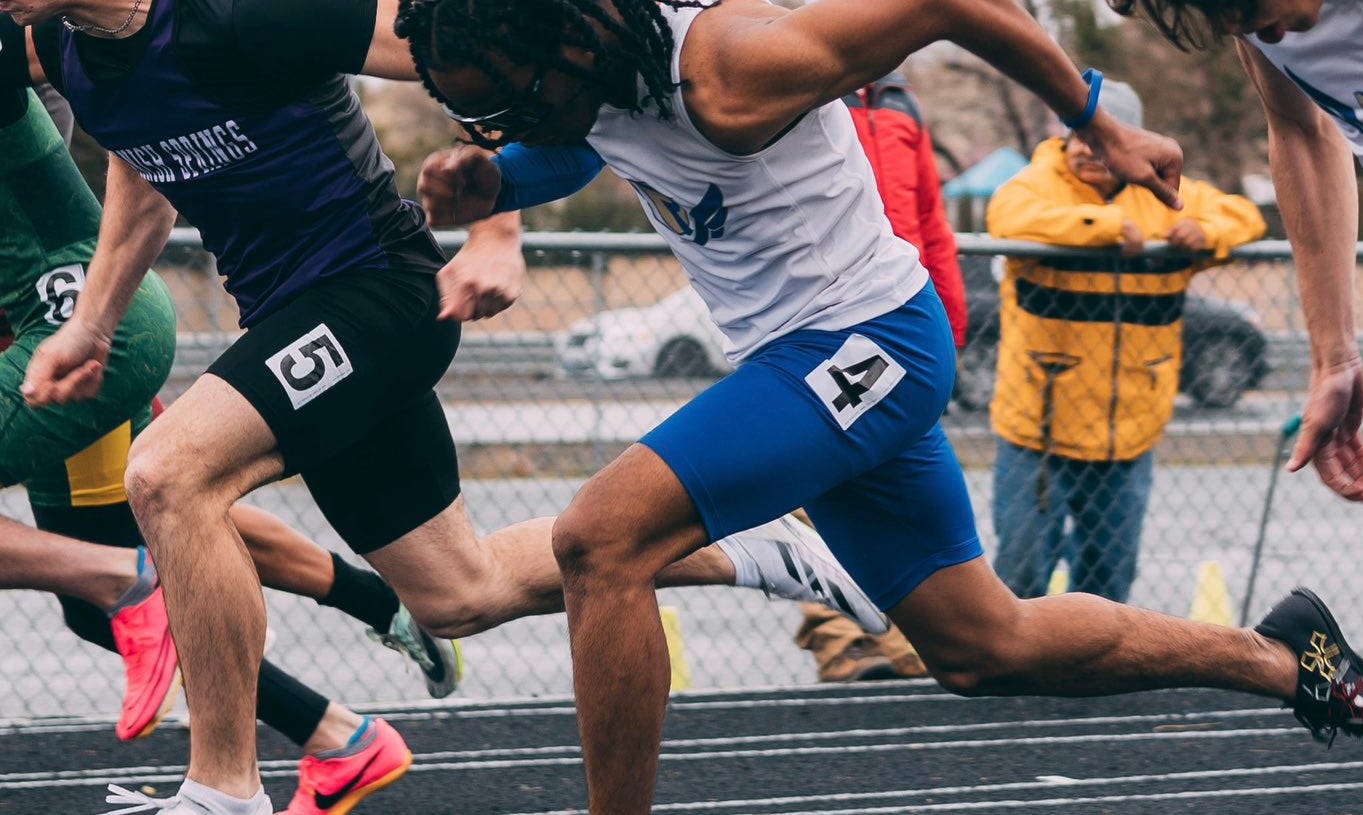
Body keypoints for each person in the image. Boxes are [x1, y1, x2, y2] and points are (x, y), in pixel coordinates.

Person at [395, 0, 1363, 810]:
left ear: (569, 41)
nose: (509, 123)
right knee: (987, 647)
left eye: (515, 103)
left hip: (862, 345)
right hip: (816, 362)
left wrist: (1096, 116)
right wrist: (500, 173)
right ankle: (1289, 659)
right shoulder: (601, 69)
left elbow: (946, 2)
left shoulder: (733, 67)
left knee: (600, 540)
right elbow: (591, 138)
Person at [0, 7, 885, 813]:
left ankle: (223, 789)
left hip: (378, 291)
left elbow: (476, 41)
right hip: (288, 316)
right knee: (459, 594)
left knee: (168, 471)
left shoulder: (246, 13)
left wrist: (496, 225)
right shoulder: (62, 49)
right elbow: (142, 173)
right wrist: (91, 323)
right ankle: (765, 551)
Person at [0, 84, 467, 815]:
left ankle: (328, 732)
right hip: (63, 321)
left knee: (136, 554)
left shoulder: (52, 42)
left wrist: (499, 219)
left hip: (52, 327)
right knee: (177, 508)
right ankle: (364, 644)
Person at [1108, 0, 1363, 809]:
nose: (1268, 34)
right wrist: (1332, 349)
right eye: (1230, 20)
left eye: (1254, 6)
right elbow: (1301, 132)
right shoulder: (1261, 34)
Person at [985, 78, 1266, 602]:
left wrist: (1207, 235)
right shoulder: (1034, 185)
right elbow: (1008, 217)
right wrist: (1105, 225)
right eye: (1081, 136)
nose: (1088, 150)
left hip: (1129, 430)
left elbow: (1244, 215)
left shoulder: (1164, 192)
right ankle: (1016, 684)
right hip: (1039, 431)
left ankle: (1095, 679)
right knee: (1020, 577)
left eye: (1104, 139)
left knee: (1110, 583)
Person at [793, 69, 963, 683]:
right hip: (829, 318)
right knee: (828, 480)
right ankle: (840, 637)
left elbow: (931, 221)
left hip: (903, 322)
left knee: (901, 487)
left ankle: (906, 637)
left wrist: (951, 326)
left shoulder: (901, 103)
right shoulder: (803, 82)